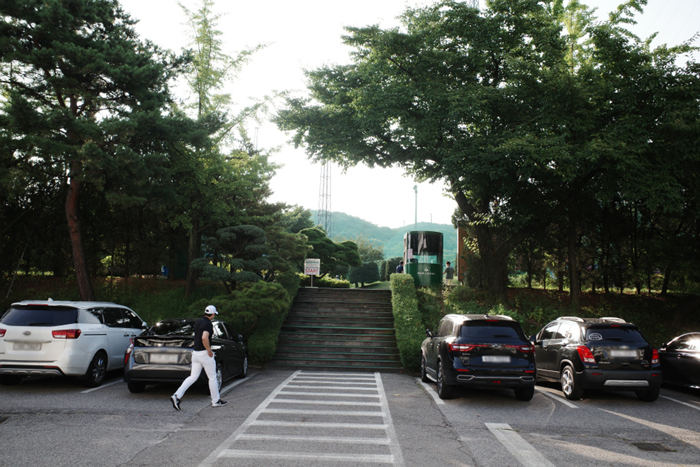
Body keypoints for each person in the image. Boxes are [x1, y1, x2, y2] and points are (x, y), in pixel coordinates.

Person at [171, 305, 227, 410]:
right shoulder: (208, 324)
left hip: (195, 353)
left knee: (192, 377)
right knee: (212, 377)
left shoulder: (198, 322)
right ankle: (215, 401)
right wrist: (209, 350)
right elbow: (204, 338)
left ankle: (177, 395)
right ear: (212, 314)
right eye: (214, 314)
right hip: (204, 354)